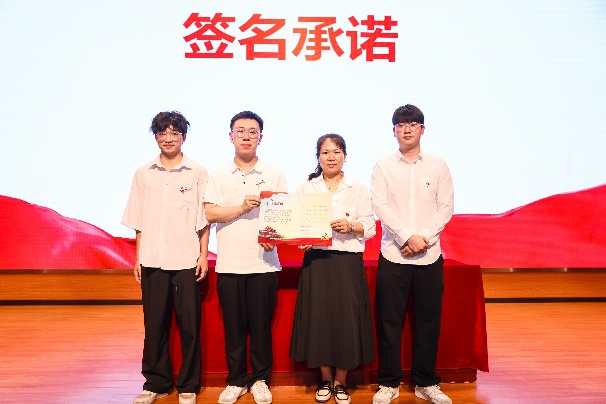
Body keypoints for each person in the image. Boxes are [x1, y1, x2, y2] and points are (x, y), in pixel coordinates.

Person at [122, 111, 210, 404]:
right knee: (154, 325)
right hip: (152, 259)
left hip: (186, 258)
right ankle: (156, 383)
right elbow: (138, 220)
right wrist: (138, 258)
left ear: (183, 136)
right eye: (163, 133)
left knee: (189, 326)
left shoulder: (197, 172)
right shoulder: (143, 173)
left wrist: (202, 255)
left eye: (174, 133)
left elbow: (203, 219)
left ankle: (188, 385)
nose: (168, 138)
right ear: (156, 136)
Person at [370, 105, 454, 404]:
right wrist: (407, 237)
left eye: (413, 124)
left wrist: (423, 239)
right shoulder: (382, 165)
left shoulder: (438, 165)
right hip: (393, 255)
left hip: (429, 256)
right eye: (401, 124)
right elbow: (380, 206)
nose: (407, 129)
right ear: (393, 130)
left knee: (428, 322)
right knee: (389, 322)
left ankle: (426, 382)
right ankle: (388, 383)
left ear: (422, 129)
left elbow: (446, 206)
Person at [204, 111, 287, 404]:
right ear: (231, 136)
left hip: (264, 264)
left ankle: (260, 380)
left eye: (253, 132)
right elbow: (210, 213)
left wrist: (274, 235)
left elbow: (283, 214)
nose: (246, 137)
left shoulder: (274, 173)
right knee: (234, 328)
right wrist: (241, 207)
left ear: (260, 138)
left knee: (261, 328)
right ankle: (237, 380)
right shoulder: (218, 175)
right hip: (229, 263)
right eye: (240, 131)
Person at [289, 134, 376, 404]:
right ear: (318, 156)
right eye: (325, 152)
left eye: (336, 152)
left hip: (347, 262)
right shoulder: (307, 186)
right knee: (320, 320)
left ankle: (341, 382)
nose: (331, 157)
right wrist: (302, 240)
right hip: (317, 261)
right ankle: (325, 379)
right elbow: (297, 225)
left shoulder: (357, 187)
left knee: (345, 321)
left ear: (345, 156)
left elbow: (370, 227)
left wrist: (351, 227)